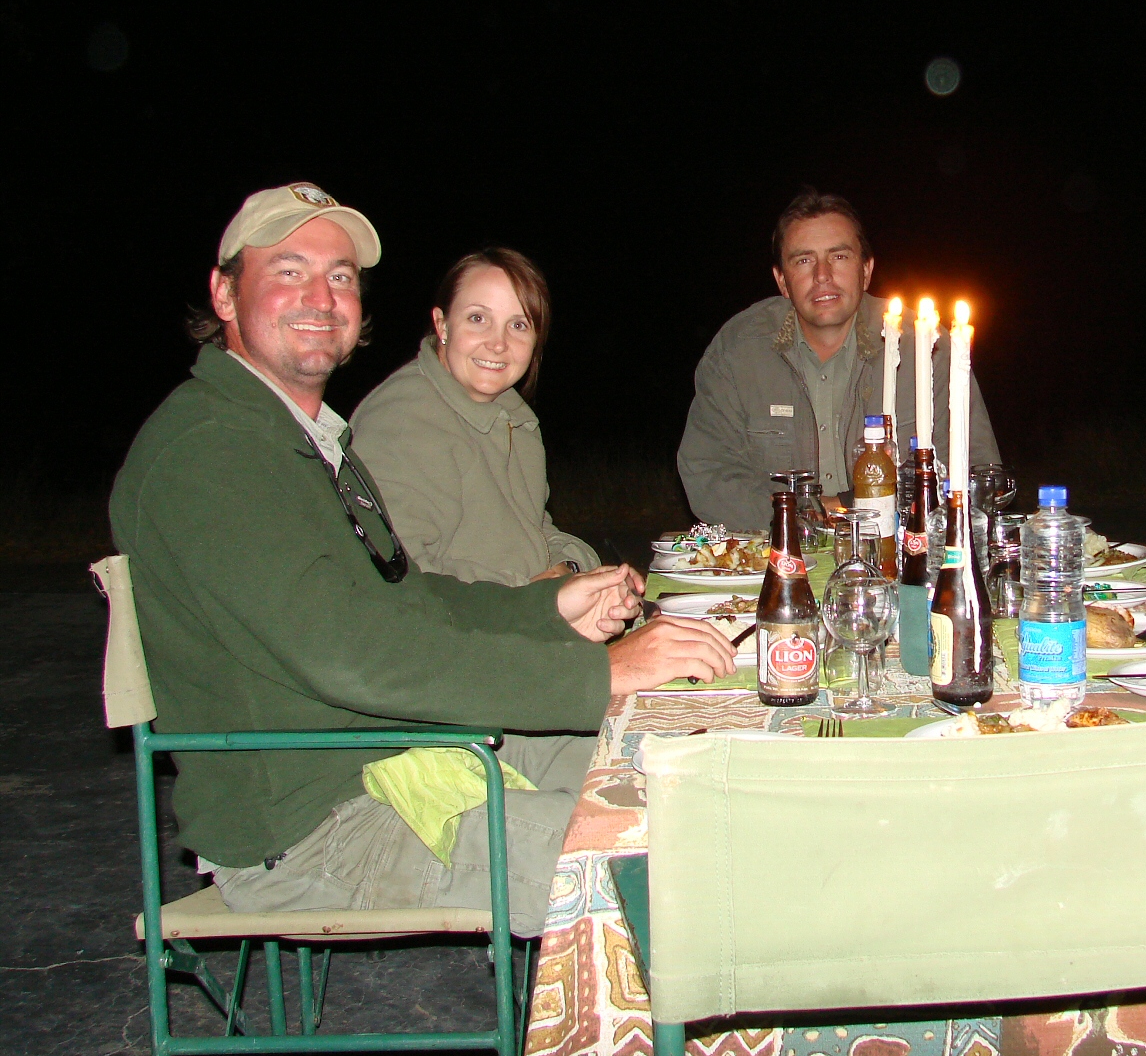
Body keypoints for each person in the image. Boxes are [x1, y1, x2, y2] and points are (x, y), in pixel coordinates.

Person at [110, 184, 735, 935]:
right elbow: (355, 655)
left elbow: (404, 598)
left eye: (341, 276)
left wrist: (546, 606)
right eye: (289, 270)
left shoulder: (304, 441)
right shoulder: (209, 454)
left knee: (682, 764)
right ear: (224, 293)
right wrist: (600, 672)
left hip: (401, 747)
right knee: (661, 852)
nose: (320, 297)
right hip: (316, 824)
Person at [678, 188, 1001, 531]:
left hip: (898, 547)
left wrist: (855, 505)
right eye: (803, 260)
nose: (822, 275)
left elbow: (978, 473)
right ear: (782, 281)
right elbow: (706, 472)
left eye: (840, 256)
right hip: (777, 548)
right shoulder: (738, 350)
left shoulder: (925, 346)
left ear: (866, 270)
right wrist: (804, 516)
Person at [351, 248, 598, 587]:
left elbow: (537, 535)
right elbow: (401, 575)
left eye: (518, 325)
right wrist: (534, 595)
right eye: (478, 319)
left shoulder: (515, 421)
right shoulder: (402, 423)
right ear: (442, 324)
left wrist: (573, 569)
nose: (498, 343)